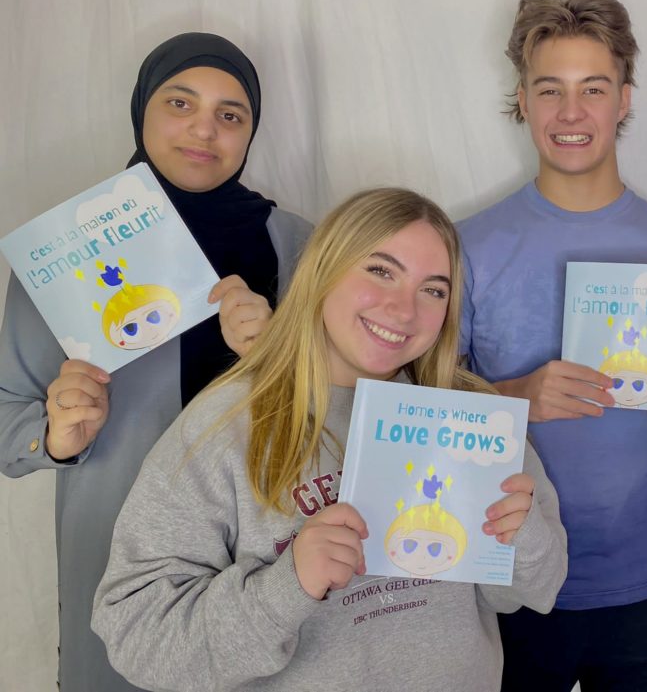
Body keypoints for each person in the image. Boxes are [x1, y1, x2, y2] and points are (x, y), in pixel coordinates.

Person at [91, 187, 568, 690]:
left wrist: (524, 537)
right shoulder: (223, 426)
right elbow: (137, 637)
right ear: (323, 270)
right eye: (381, 270)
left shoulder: (472, 416)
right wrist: (287, 585)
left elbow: (536, 590)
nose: (404, 310)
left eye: (434, 289)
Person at [0, 32, 311, 692]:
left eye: (232, 114)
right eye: (180, 102)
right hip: (117, 554)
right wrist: (54, 436)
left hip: (267, 564)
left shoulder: (302, 247)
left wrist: (281, 354)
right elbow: (5, 418)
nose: (205, 129)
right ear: (141, 108)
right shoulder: (66, 256)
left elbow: (343, 414)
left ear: (251, 131)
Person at [458, 0, 647, 691]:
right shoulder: (466, 247)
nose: (571, 112)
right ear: (522, 100)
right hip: (508, 582)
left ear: (626, 98)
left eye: (594, 88)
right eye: (550, 89)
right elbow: (421, 417)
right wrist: (517, 394)